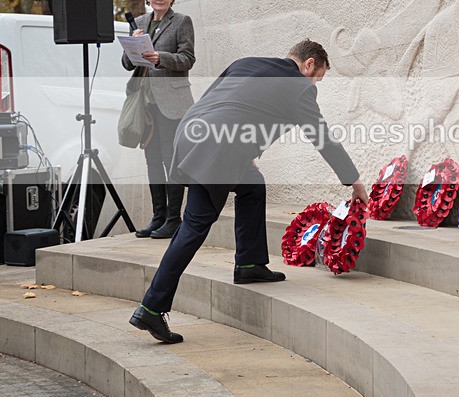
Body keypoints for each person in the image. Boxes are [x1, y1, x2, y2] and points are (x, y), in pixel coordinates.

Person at [129, 39, 368, 343]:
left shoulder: (246, 62)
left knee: (253, 187)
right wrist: (354, 180)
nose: (315, 83)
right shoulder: (300, 86)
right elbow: (322, 137)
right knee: (194, 226)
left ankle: (250, 264)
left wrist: (243, 153)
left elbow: (223, 102)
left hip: (192, 133)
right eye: (317, 76)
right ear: (309, 64)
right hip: (217, 149)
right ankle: (152, 306)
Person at [123, 0, 196, 239]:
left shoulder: (181, 22)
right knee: (152, 160)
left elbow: (188, 59)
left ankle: (174, 218)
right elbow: (127, 63)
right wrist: (133, 43)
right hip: (146, 102)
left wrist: (160, 57)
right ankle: (158, 217)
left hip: (172, 102)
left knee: (170, 159)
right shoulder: (140, 22)